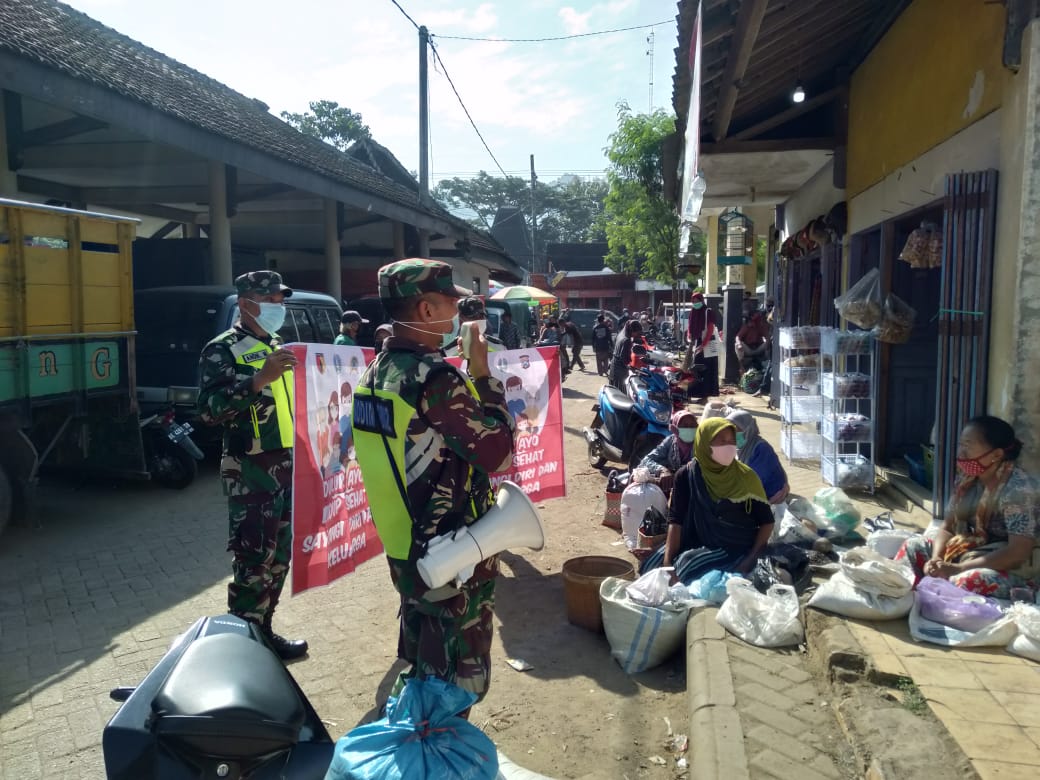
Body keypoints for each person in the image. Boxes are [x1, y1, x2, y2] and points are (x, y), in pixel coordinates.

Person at [351, 259, 516, 712]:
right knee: (457, 678)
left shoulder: (376, 373)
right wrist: (483, 376)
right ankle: (443, 752)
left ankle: (429, 741)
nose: (460, 312)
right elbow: (499, 452)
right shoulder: (435, 378)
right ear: (426, 310)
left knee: (426, 659)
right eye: (453, 303)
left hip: (407, 548)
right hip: (452, 553)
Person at [197, 270, 307, 660]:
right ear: (246, 304)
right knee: (252, 559)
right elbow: (209, 412)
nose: (280, 308)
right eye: (272, 301)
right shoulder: (221, 349)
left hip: (287, 468)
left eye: (281, 301)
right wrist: (258, 379)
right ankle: (242, 650)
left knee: (279, 558)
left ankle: (263, 633)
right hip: (250, 470)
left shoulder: (279, 345)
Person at [895, 416, 1040, 598]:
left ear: (996, 455)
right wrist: (936, 559)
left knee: (967, 581)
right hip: (970, 551)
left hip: (1012, 567)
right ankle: (905, 595)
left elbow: (1018, 552)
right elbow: (947, 528)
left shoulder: (1018, 490)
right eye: (960, 445)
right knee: (913, 546)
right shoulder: (967, 480)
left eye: (967, 446)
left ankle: (931, 595)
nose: (961, 454)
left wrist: (959, 568)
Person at [638, 417, 774, 584]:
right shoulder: (687, 475)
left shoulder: (746, 477)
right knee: (649, 566)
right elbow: (676, 522)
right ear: (704, 443)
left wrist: (750, 560)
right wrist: (667, 562)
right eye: (721, 441)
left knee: (685, 567)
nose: (729, 446)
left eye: (732, 441)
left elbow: (767, 522)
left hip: (732, 545)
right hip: (693, 538)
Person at [726, 408, 789, 504]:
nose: (732, 434)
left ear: (748, 429)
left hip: (771, 497)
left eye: (736, 430)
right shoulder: (740, 448)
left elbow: (755, 480)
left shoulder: (761, 449)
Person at [638, 410, 698, 495]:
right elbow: (646, 460)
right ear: (675, 428)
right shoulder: (670, 441)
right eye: (684, 426)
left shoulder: (701, 443)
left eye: (692, 426)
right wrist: (662, 470)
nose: (689, 429)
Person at [687, 291, 720, 400]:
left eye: (698, 301)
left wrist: (703, 344)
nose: (696, 303)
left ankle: (705, 395)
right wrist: (689, 337)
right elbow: (689, 327)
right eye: (694, 301)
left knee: (707, 370)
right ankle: (696, 394)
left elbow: (710, 329)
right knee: (695, 369)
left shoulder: (708, 312)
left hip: (707, 344)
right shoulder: (692, 312)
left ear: (702, 300)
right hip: (696, 343)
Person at [609, 319, 646, 389]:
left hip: (614, 367)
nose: (638, 335)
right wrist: (632, 367)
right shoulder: (626, 340)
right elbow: (624, 358)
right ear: (632, 331)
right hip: (620, 371)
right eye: (637, 333)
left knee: (615, 389)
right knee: (621, 394)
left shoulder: (621, 333)